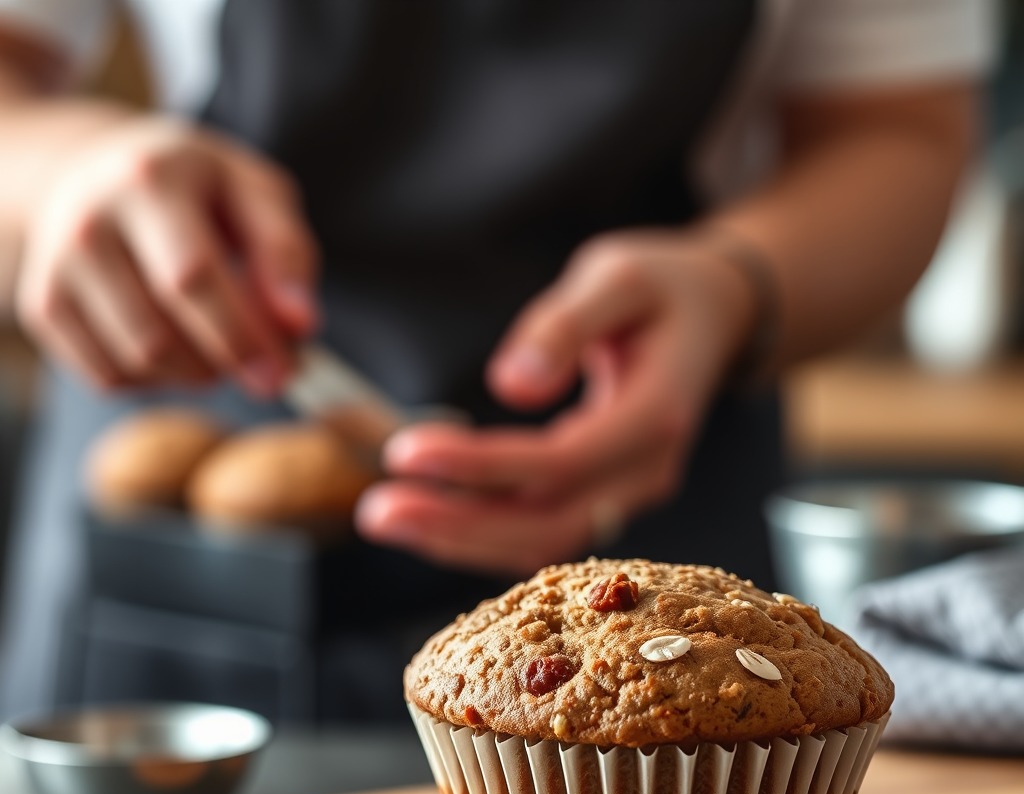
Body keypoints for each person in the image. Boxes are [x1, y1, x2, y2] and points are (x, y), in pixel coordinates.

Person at [0, 0, 995, 721]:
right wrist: (57, 173)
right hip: (192, 490)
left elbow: (895, 128)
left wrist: (735, 289)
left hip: (656, 476)